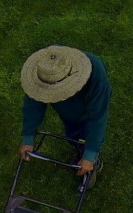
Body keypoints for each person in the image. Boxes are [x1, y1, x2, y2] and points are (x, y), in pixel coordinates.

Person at [18, 45, 111, 186]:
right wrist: (28, 137)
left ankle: (93, 162)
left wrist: (90, 155)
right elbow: (33, 105)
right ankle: (80, 148)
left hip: (86, 110)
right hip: (68, 113)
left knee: (86, 134)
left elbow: (98, 117)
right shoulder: (43, 71)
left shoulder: (96, 72)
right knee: (73, 134)